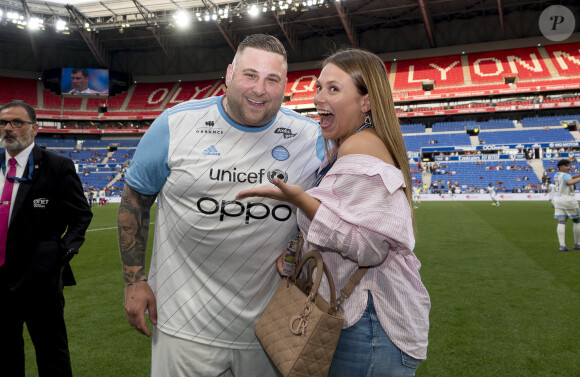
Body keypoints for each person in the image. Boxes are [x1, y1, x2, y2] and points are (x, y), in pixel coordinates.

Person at [117, 34, 323, 377]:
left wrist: (301, 244)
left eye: (272, 79)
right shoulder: (174, 125)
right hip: (183, 324)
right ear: (229, 74)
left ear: (286, 85)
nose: (260, 89)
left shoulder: (309, 137)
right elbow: (134, 202)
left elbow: (331, 211)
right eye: (250, 75)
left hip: (271, 326)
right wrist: (134, 281)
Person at [236, 48, 430, 376]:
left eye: (334, 89)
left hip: (370, 324)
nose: (318, 98)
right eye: (318, 87)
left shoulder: (360, 147)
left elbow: (370, 247)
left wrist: (301, 200)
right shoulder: (348, 144)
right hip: (358, 321)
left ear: (365, 102)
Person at [0, 101, 93, 376]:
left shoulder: (57, 165)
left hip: (40, 278)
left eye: (17, 122)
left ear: (35, 128)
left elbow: (81, 216)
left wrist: (60, 256)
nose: (8, 128)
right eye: (3, 122)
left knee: (51, 353)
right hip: (1, 278)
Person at [552, 158, 580, 251]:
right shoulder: (565, 175)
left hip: (558, 201)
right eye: (567, 166)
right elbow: (569, 181)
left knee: (561, 222)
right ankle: (577, 244)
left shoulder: (557, 174)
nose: (569, 167)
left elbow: (570, 178)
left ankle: (562, 246)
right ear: (561, 167)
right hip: (569, 200)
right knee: (577, 221)